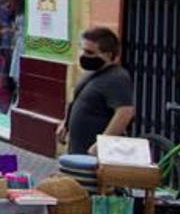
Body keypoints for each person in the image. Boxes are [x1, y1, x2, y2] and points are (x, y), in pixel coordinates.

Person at [57, 27, 135, 157]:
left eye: (90, 52)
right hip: (78, 151)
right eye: (82, 49)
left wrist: (101, 144)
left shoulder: (117, 78)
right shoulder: (91, 72)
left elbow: (125, 113)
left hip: (95, 157)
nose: (84, 55)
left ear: (108, 55)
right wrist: (65, 123)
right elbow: (77, 99)